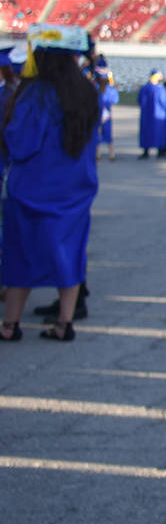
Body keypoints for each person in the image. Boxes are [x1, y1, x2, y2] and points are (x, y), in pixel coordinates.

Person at [0, 24, 99, 342]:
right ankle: (64, 323)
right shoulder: (87, 92)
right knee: (69, 255)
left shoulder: (37, 95)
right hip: (75, 191)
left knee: (20, 256)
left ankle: (10, 325)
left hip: (34, 191)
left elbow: (21, 144)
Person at [137, 69, 166, 159]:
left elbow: (140, 100)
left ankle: (146, 151)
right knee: (159, 132)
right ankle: (160, 151)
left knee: (147, 132)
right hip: (159, 115)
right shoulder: (160, 89)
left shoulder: (145, 88)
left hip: (146, 115)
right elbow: (163, 102)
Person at [95, 66, 119, 161]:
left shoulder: (96, 88)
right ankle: (111, 153)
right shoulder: (110, 89)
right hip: (105, 113)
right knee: (107, 134)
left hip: (99, 112)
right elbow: (115, 100)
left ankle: (98, 153)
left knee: (98, 133)